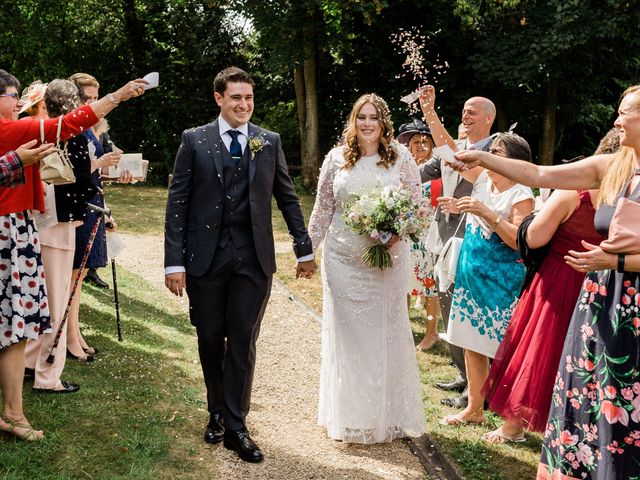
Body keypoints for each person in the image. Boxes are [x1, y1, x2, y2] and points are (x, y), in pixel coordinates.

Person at [453, 85, 640, 480]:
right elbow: (538, 173)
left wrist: (618, 259)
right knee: (588, 401)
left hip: (633, 309)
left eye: (625, 113)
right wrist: (482, 156)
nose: (616, 120)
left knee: (625, 408)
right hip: (599, 304)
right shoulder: (612, 166)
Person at [164, 67, 316, 463]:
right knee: (210, 338)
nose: (243, 105)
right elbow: (177, 203)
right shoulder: (194, 141)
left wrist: (304, 247)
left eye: (248, 98)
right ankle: (215, 409)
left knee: (243, 340)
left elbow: (286, 196)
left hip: (253, 260)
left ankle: (236, 425)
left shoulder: (268, 141)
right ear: (219, 98)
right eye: (236, 98)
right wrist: (172, 263)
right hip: (205, 261)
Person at [0, 68, 146, 441]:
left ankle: (18, 402)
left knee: (20, 320)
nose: (17, 103)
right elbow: (72, 125)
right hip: (13, 232)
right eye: (11, 96)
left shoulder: (17, 128)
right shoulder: (12, 131)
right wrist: (118, 96)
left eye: (19, 96)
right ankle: (23, 401)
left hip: (25, 227)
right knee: (24, 317)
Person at [480, 133, 616, 444]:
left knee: (540, 348)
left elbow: (535, 238)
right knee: (585, 357)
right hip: (602, 282)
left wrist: (533, 218)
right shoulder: (627, 197)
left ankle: (513, 427)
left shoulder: (573, 192)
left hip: (559, 279)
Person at [308, 93, 426, 444]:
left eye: (374, 117)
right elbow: (322, 211)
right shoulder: (335, 159)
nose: (367, 123)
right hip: (343, 260)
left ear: (384, 122)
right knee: (350, 337)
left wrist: (395, 235)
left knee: (383, 334)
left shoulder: (401, 158)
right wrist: (305, 252)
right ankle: (351, 415)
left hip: (386, 259)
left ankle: (386, 414)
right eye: (362, 117)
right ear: (353, 121)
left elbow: (417, 205)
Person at [436, 133, 534, 426]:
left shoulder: (522, 193)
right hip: (471, 275)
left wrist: (486, 212)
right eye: (489, 150)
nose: (490, 154)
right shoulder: (482, 181)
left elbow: (519, 241)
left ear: (516, 160)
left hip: (501, 283)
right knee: (470, 341)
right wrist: (458, 206)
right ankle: (474, 408)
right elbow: (451, 155)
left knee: (502, 349)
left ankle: (511, 416)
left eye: (497, 151)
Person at [418, 85, 496, 408]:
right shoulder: (455, 144)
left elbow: (457, 157)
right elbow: (441, 154)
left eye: (472, 110)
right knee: (448, 307)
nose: (465, 114)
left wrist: (431, 114)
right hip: (442, 235)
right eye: (463, 109)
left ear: (489, 118)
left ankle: (478, 391)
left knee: (466, 313)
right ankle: (463, 375)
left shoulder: (494, 148)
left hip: (469, 239)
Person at [23, 79, 100, 393]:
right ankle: (48, 377)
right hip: (60, 223)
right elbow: (84, 180)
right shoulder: (74, 135)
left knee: (41, 297)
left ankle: (30, 360)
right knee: (56, 302)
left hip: (37, 219)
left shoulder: (40, 129)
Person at [65, 73, 123, 360]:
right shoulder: (74, 128)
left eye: (94, 97)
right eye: (86, 98)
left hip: (95, 202)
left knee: (82, 272)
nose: (91, 103)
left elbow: (95, 171)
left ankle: (74, 332)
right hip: (79, 205)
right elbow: (74, 173)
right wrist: (100, 163)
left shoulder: (92, 127)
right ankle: (69, 336)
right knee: (73, 275)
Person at [396, 118, 441, 351]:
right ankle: (402, 328)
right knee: (402, 280)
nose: (420, 145)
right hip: (406, 233)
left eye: (425, 141)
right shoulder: (402, 169)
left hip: (429, 234)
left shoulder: (437, 170)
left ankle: (432, 332)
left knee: (429, 284)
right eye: (415, 142)